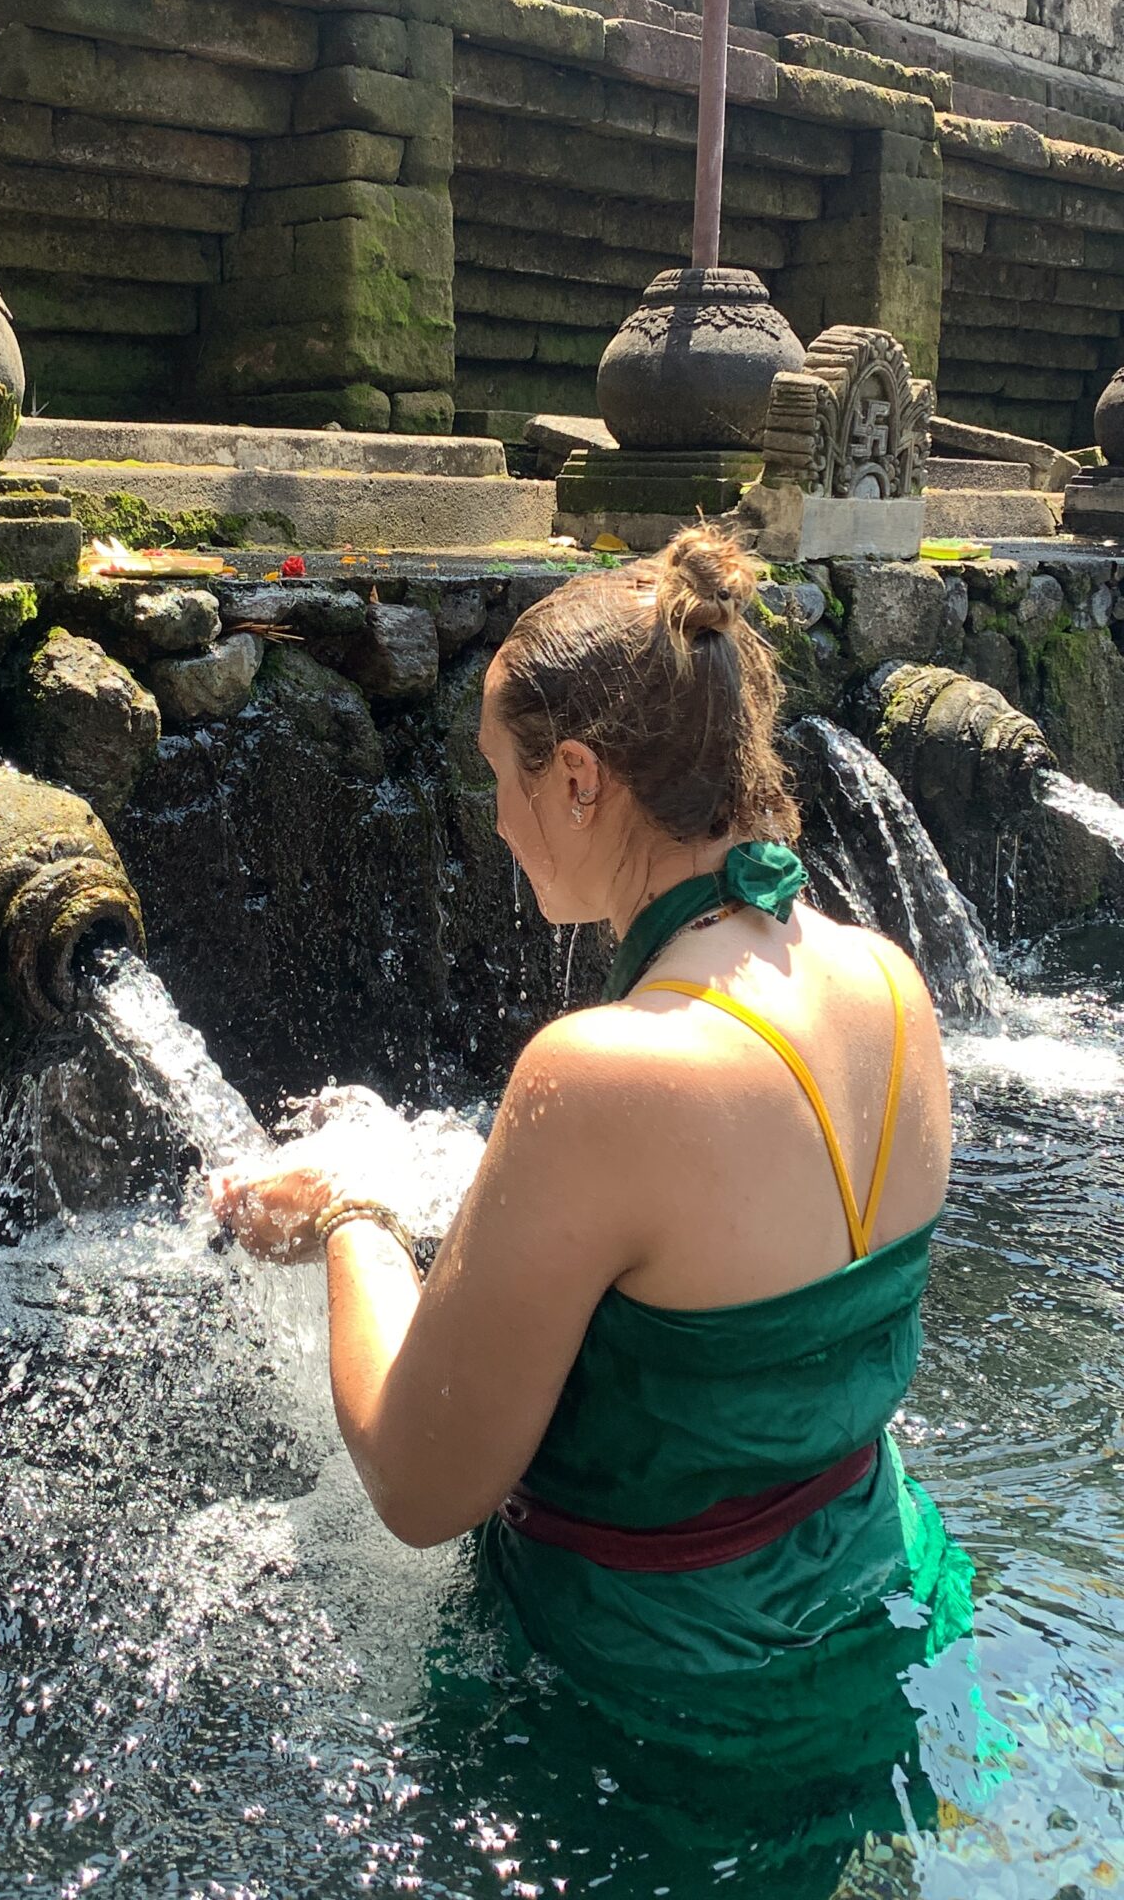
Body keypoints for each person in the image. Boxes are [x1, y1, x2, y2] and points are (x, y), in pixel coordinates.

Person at [210, 526, 975, 1825]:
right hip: (882, 1613)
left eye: (501, 776)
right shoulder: (886, 987)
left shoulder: (603, 1076)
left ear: (577, 778)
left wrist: (349, 1220)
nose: (496, 815)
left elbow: (418, 1483)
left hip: (673, 1709)